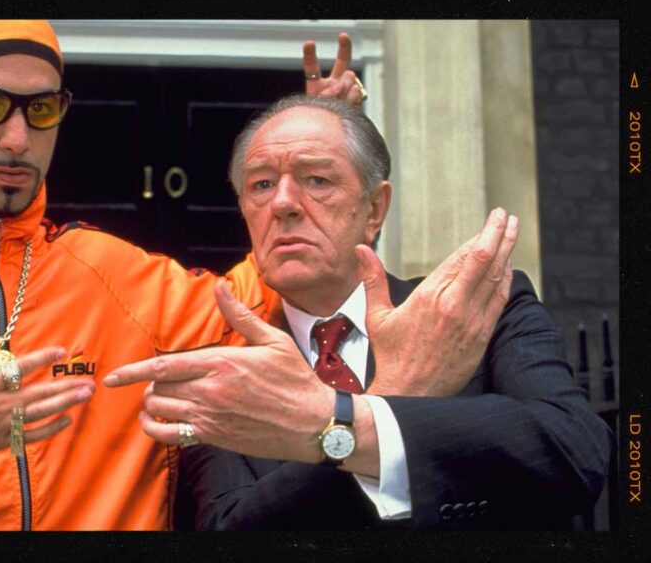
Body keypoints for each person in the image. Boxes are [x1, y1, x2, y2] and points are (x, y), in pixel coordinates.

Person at [0, 21, 502, 531]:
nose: (17, 138)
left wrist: (326, 141)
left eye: (42, 109)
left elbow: (269, 286)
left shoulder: (115, 277)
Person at [104, 95, 614, 529]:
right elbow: (229, 527)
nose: (282, 203)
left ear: (374, 209)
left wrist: (347, 424)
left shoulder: (473, 308)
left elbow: (574, 454)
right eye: (261, 185)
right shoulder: (223, 371)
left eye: (316, 179)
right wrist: (399, 396)